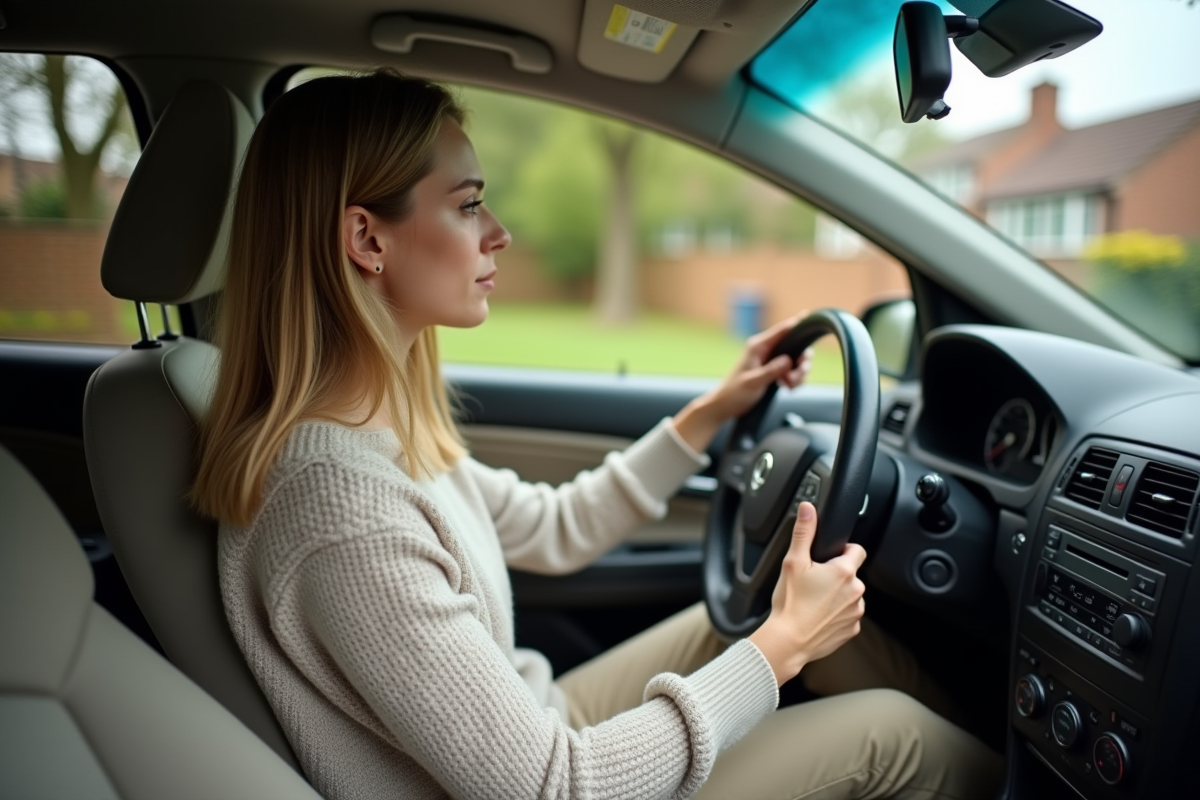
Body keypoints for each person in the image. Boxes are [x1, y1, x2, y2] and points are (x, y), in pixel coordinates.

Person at [193, 69, 1002, 800]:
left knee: (752, 622)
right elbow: (555, 788)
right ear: (367, 239)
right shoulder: (342, 507)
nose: (498, 233)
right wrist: (782, 646)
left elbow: (554, 528)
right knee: (886, 735)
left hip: (540, 721)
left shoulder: (376, 430)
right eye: (469, 204)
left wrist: (708, 413)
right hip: (558, 778)